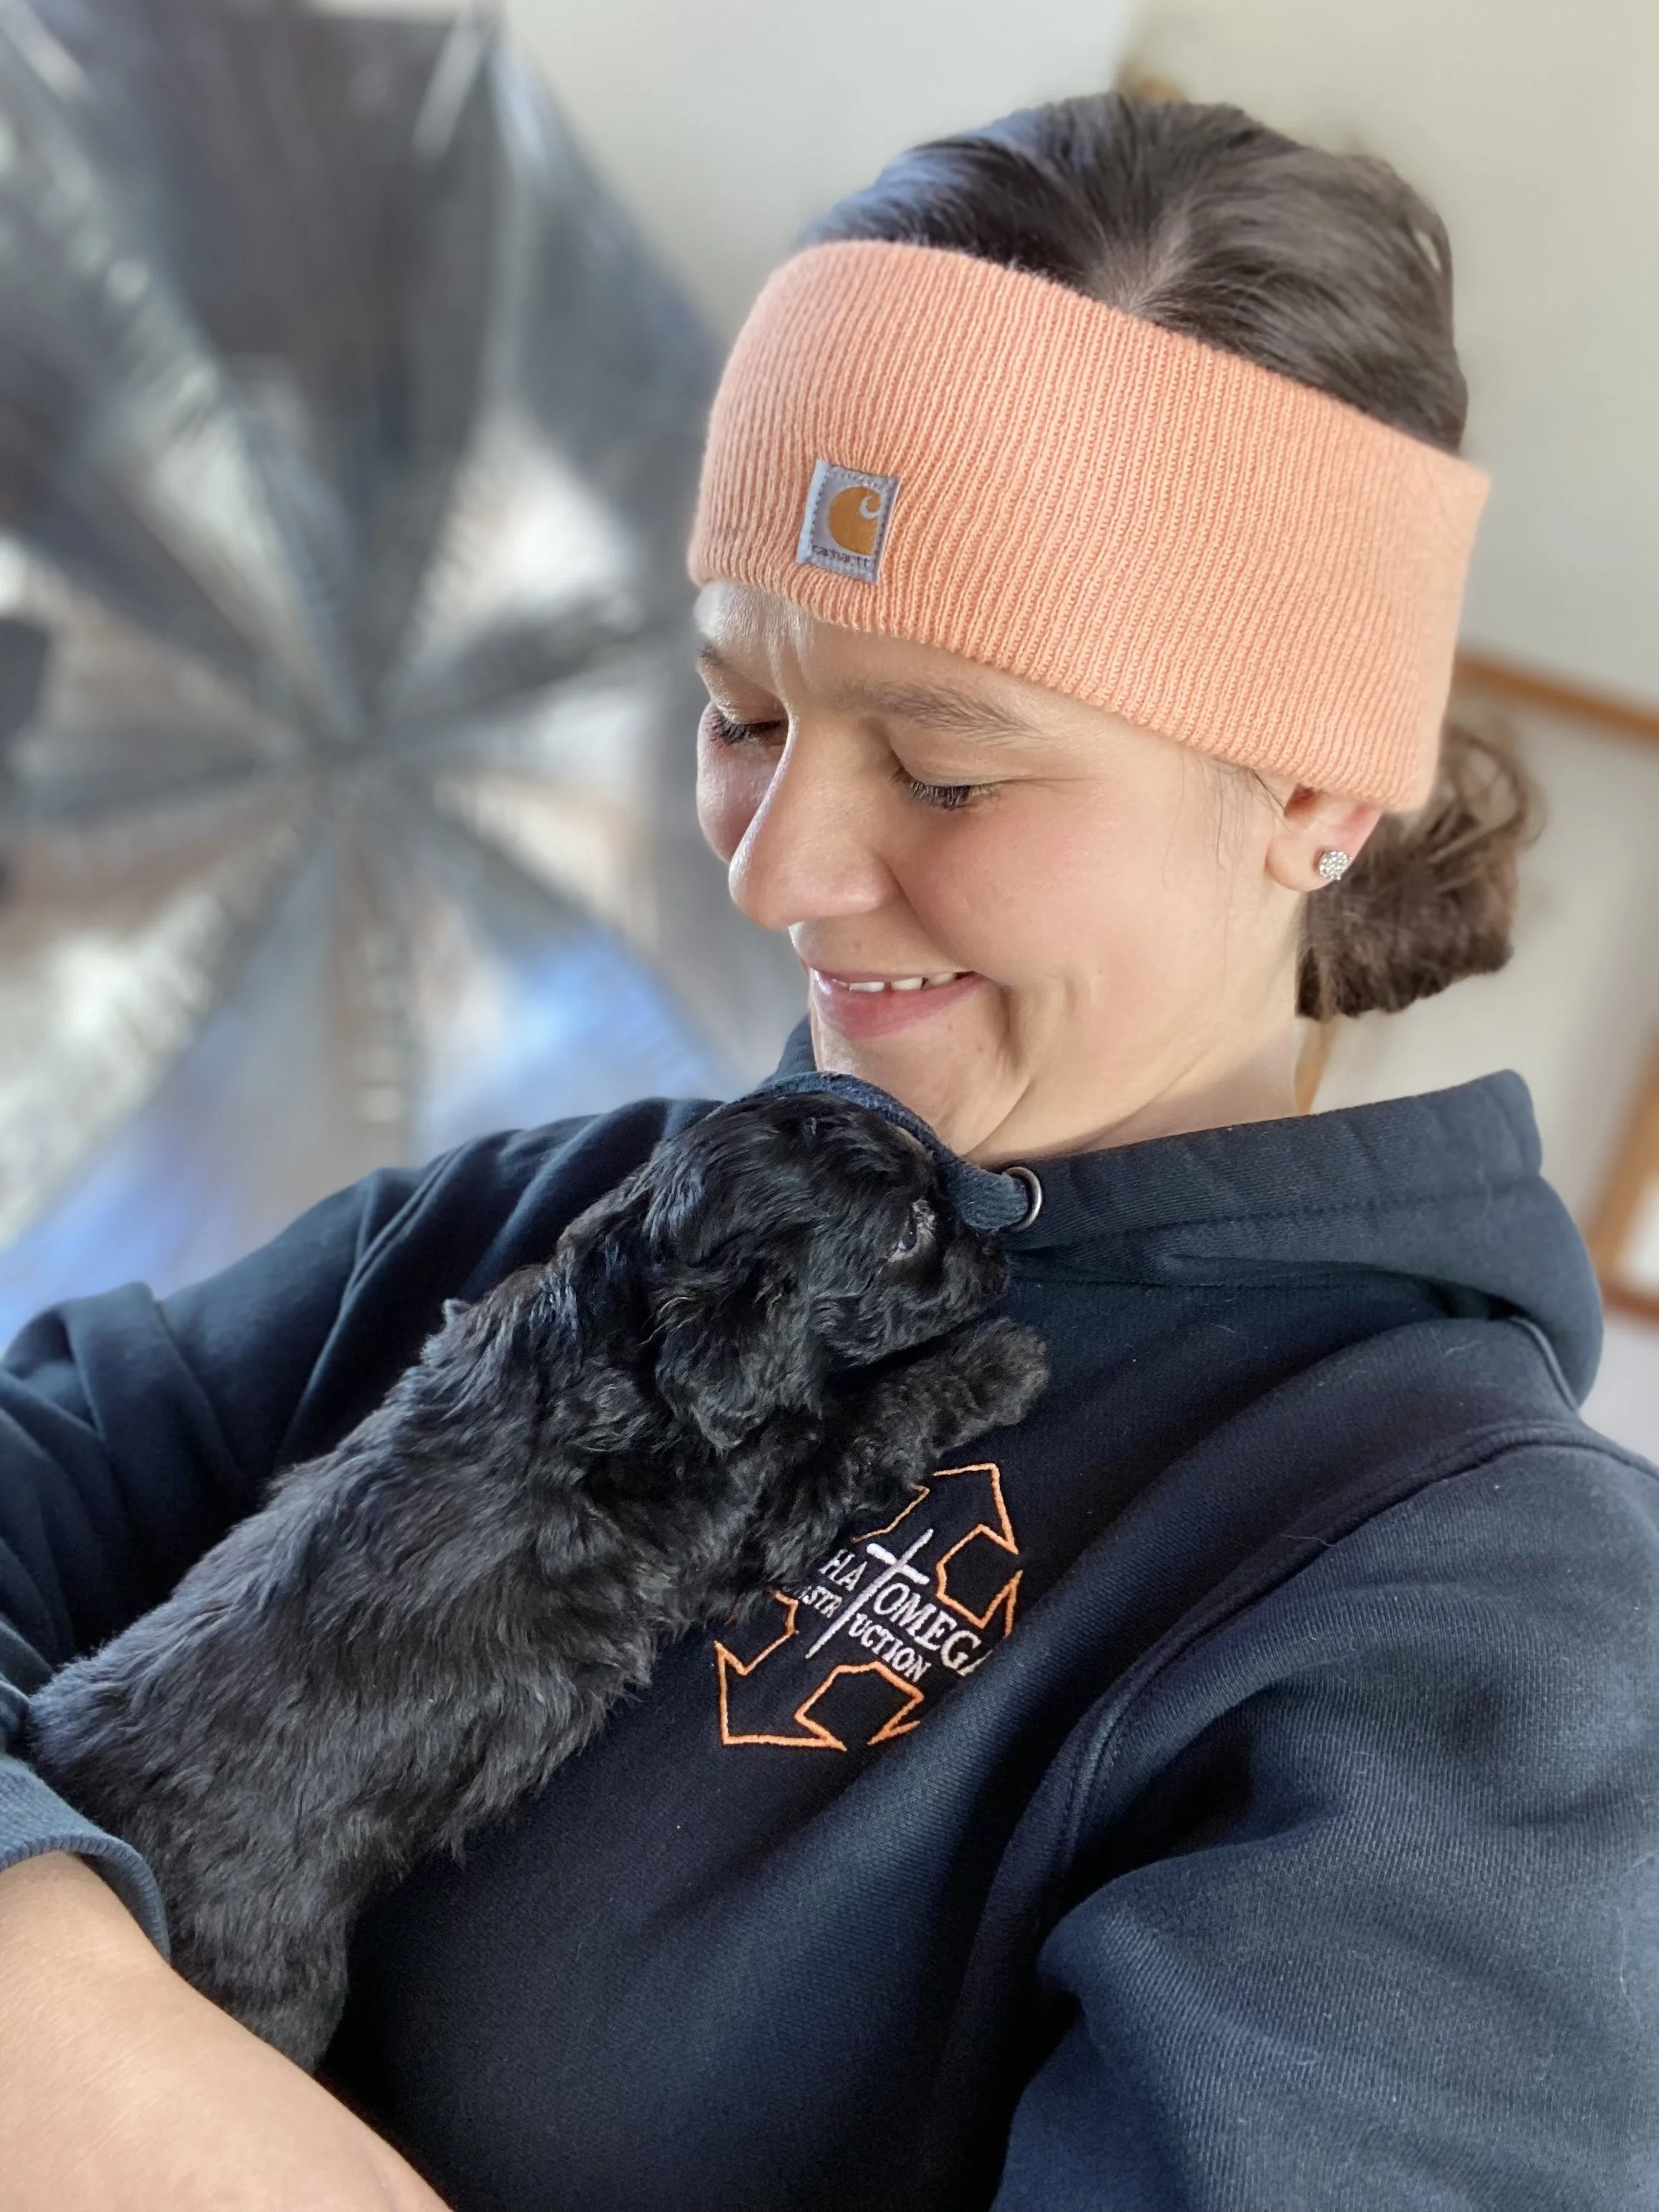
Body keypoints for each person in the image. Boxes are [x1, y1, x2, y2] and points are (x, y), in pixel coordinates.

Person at [1, 87, 1655, 2212]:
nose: (778, 873)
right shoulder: (576, 1213)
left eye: (947, 772)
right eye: (744, 715)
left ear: (1317, 794)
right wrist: (55, 1972)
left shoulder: (1488, 1613)